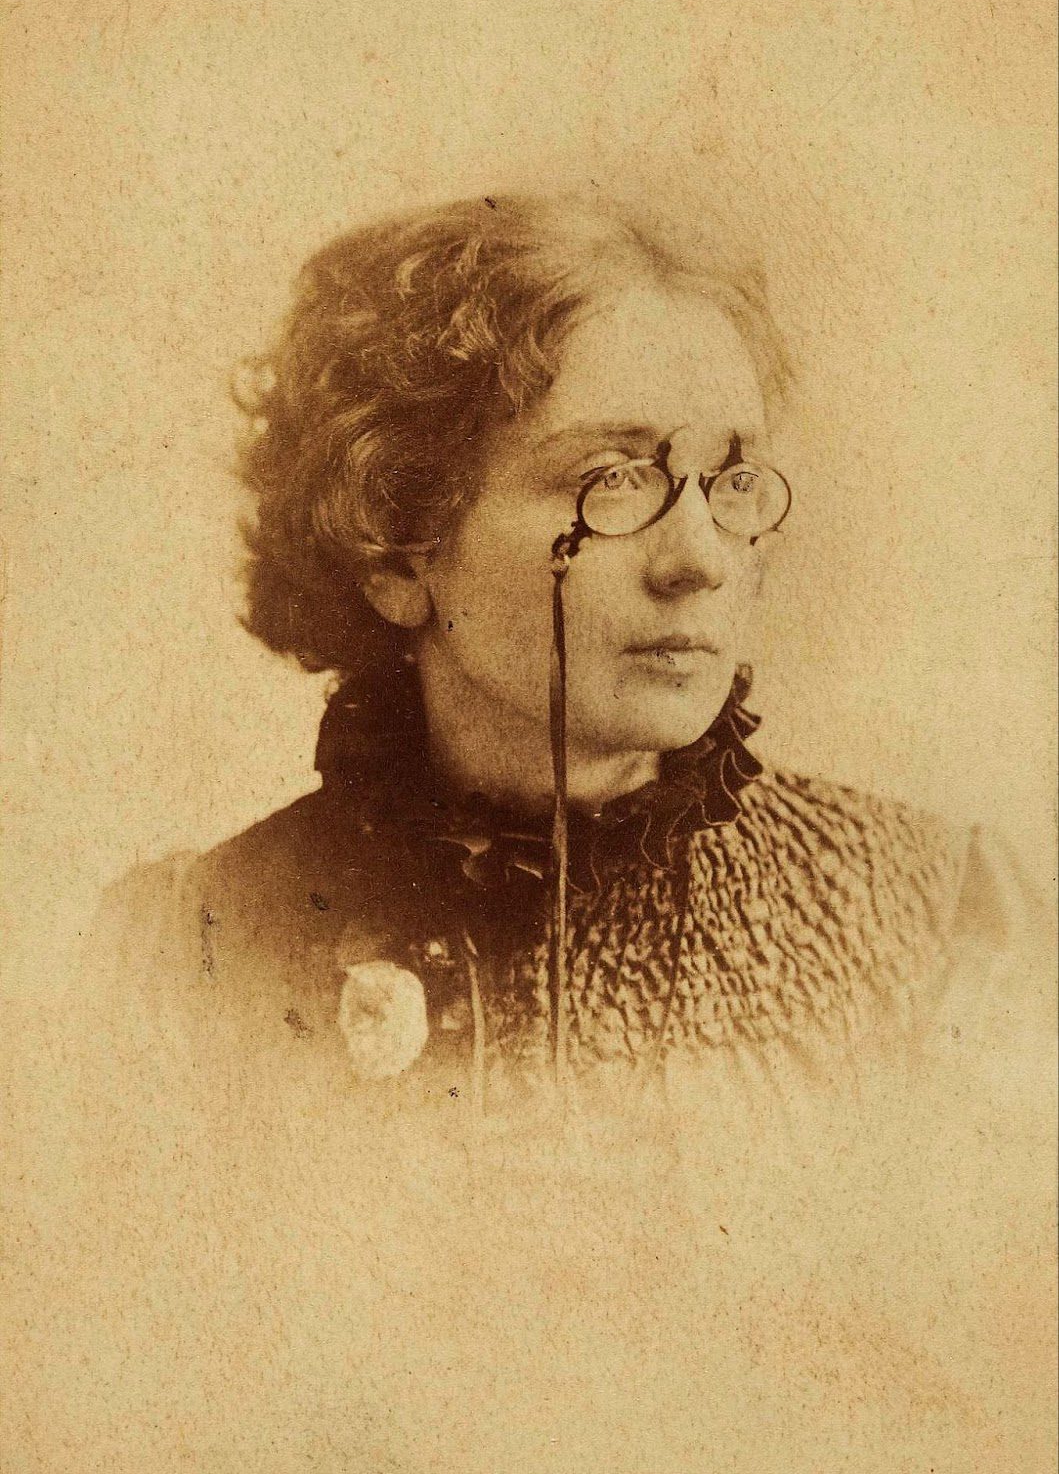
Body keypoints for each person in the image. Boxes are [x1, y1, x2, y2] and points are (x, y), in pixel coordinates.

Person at [62, 192, 1052, 1471]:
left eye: (730, 481)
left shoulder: (927, 924)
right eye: (612, 479)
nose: (700, 556)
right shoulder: (190, 960)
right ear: (399, 549)